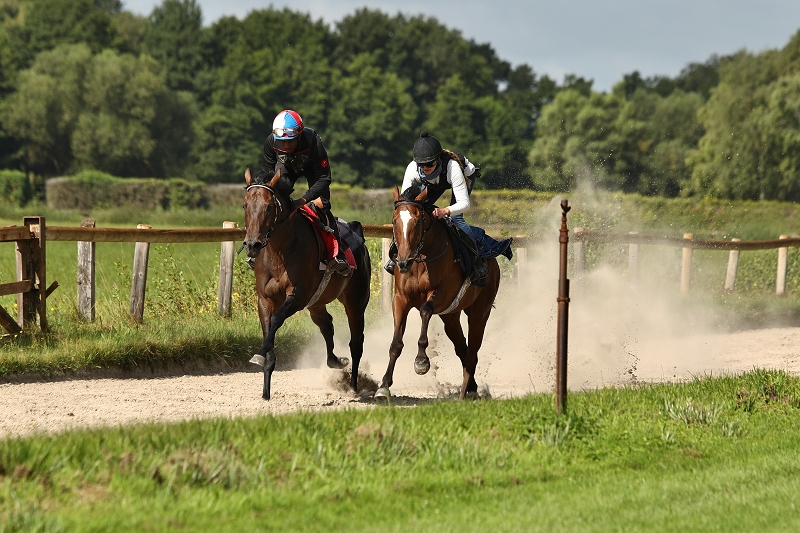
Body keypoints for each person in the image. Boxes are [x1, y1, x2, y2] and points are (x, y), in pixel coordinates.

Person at [385, 131, 512, 282]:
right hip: (433, 183)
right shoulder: (412, 168)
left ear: (437, 160)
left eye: (430, 164)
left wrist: (445, 211)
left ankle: (476, 261)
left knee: (456, 219)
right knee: (412, 215)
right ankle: (396, 256)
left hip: (464, 175)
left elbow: (464, 204)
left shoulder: (453, 167)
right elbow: (406, 206)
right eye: (421, 165)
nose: (425, 168)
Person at [252, 109, 350, 274]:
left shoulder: (313, 142)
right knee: (272, 206)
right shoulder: (270, 142)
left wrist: (304, 200)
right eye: (282, 142)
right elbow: (267, 178)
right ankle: (258, 250)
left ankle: (337, 256)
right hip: (286, 169)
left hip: (313, 171)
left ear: (299, 134)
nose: (286, 146)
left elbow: (324, 179)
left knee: (322, 206)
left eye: (290, 141)